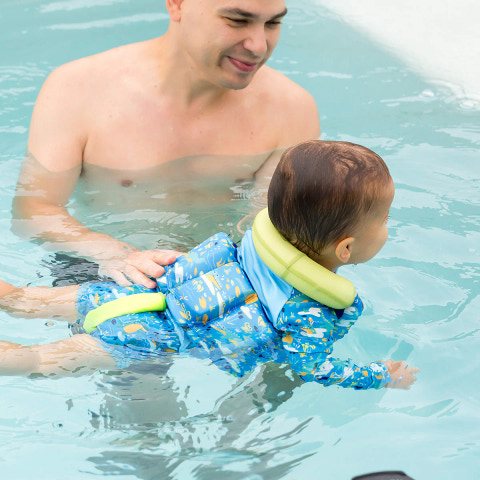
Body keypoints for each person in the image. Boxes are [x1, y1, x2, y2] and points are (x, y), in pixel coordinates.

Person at [0, 140, 418, 388]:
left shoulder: (253, 241)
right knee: (32, 360)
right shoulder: (310, 313)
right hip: (141, 340)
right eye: (384, 219)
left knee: (19, 298)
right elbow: (314, 368)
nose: (389, 226)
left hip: (135, 293)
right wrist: (380, 375)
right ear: (345, 249)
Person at [12, 0, 321, 288]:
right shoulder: (77, 89)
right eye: (237, 20)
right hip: (100, 266)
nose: (259, 46)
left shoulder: (292, 109)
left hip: (222, 277)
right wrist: (116, 254)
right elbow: (34, 210)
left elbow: (271, 233)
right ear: (176, 4)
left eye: (272, 24)